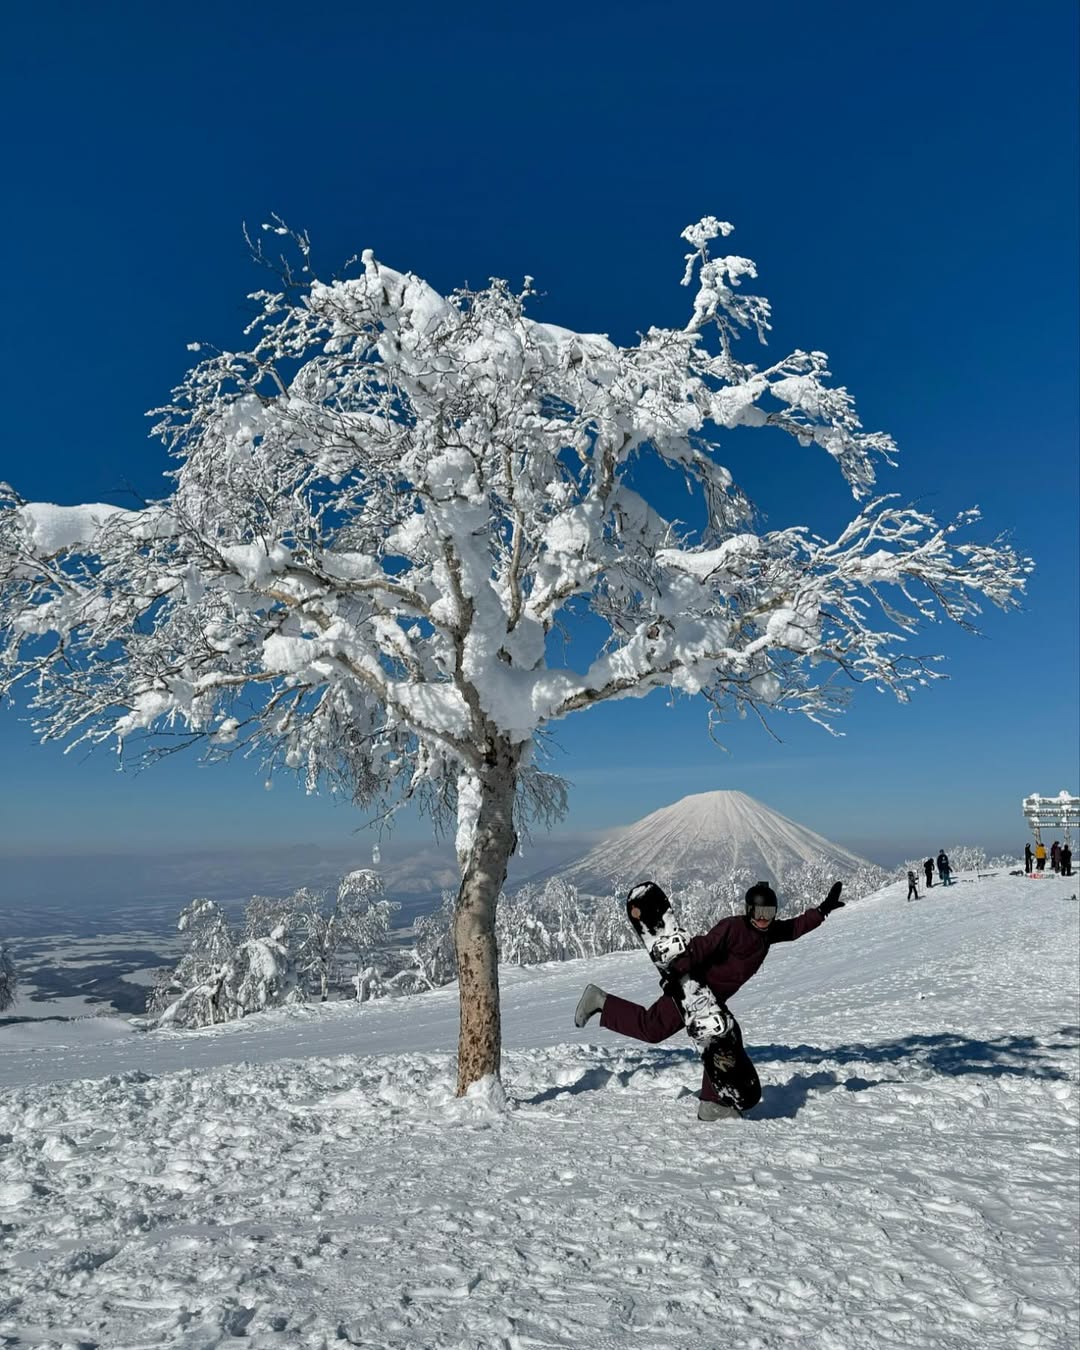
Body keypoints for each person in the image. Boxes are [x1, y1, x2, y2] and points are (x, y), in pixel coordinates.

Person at [573, 879, 845, 1122]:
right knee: (652, 1029)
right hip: (693, 988)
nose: (763, 919)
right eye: (759, 913)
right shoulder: (733, 927)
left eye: (769, 914)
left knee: (724, 1039)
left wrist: (822, 911)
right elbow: (702, 947)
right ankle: (601, 1002)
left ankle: (711, 1102)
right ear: (749, 910)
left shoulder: (767, 933)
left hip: (712, 999)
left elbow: (795, 927)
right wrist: (677, 971)